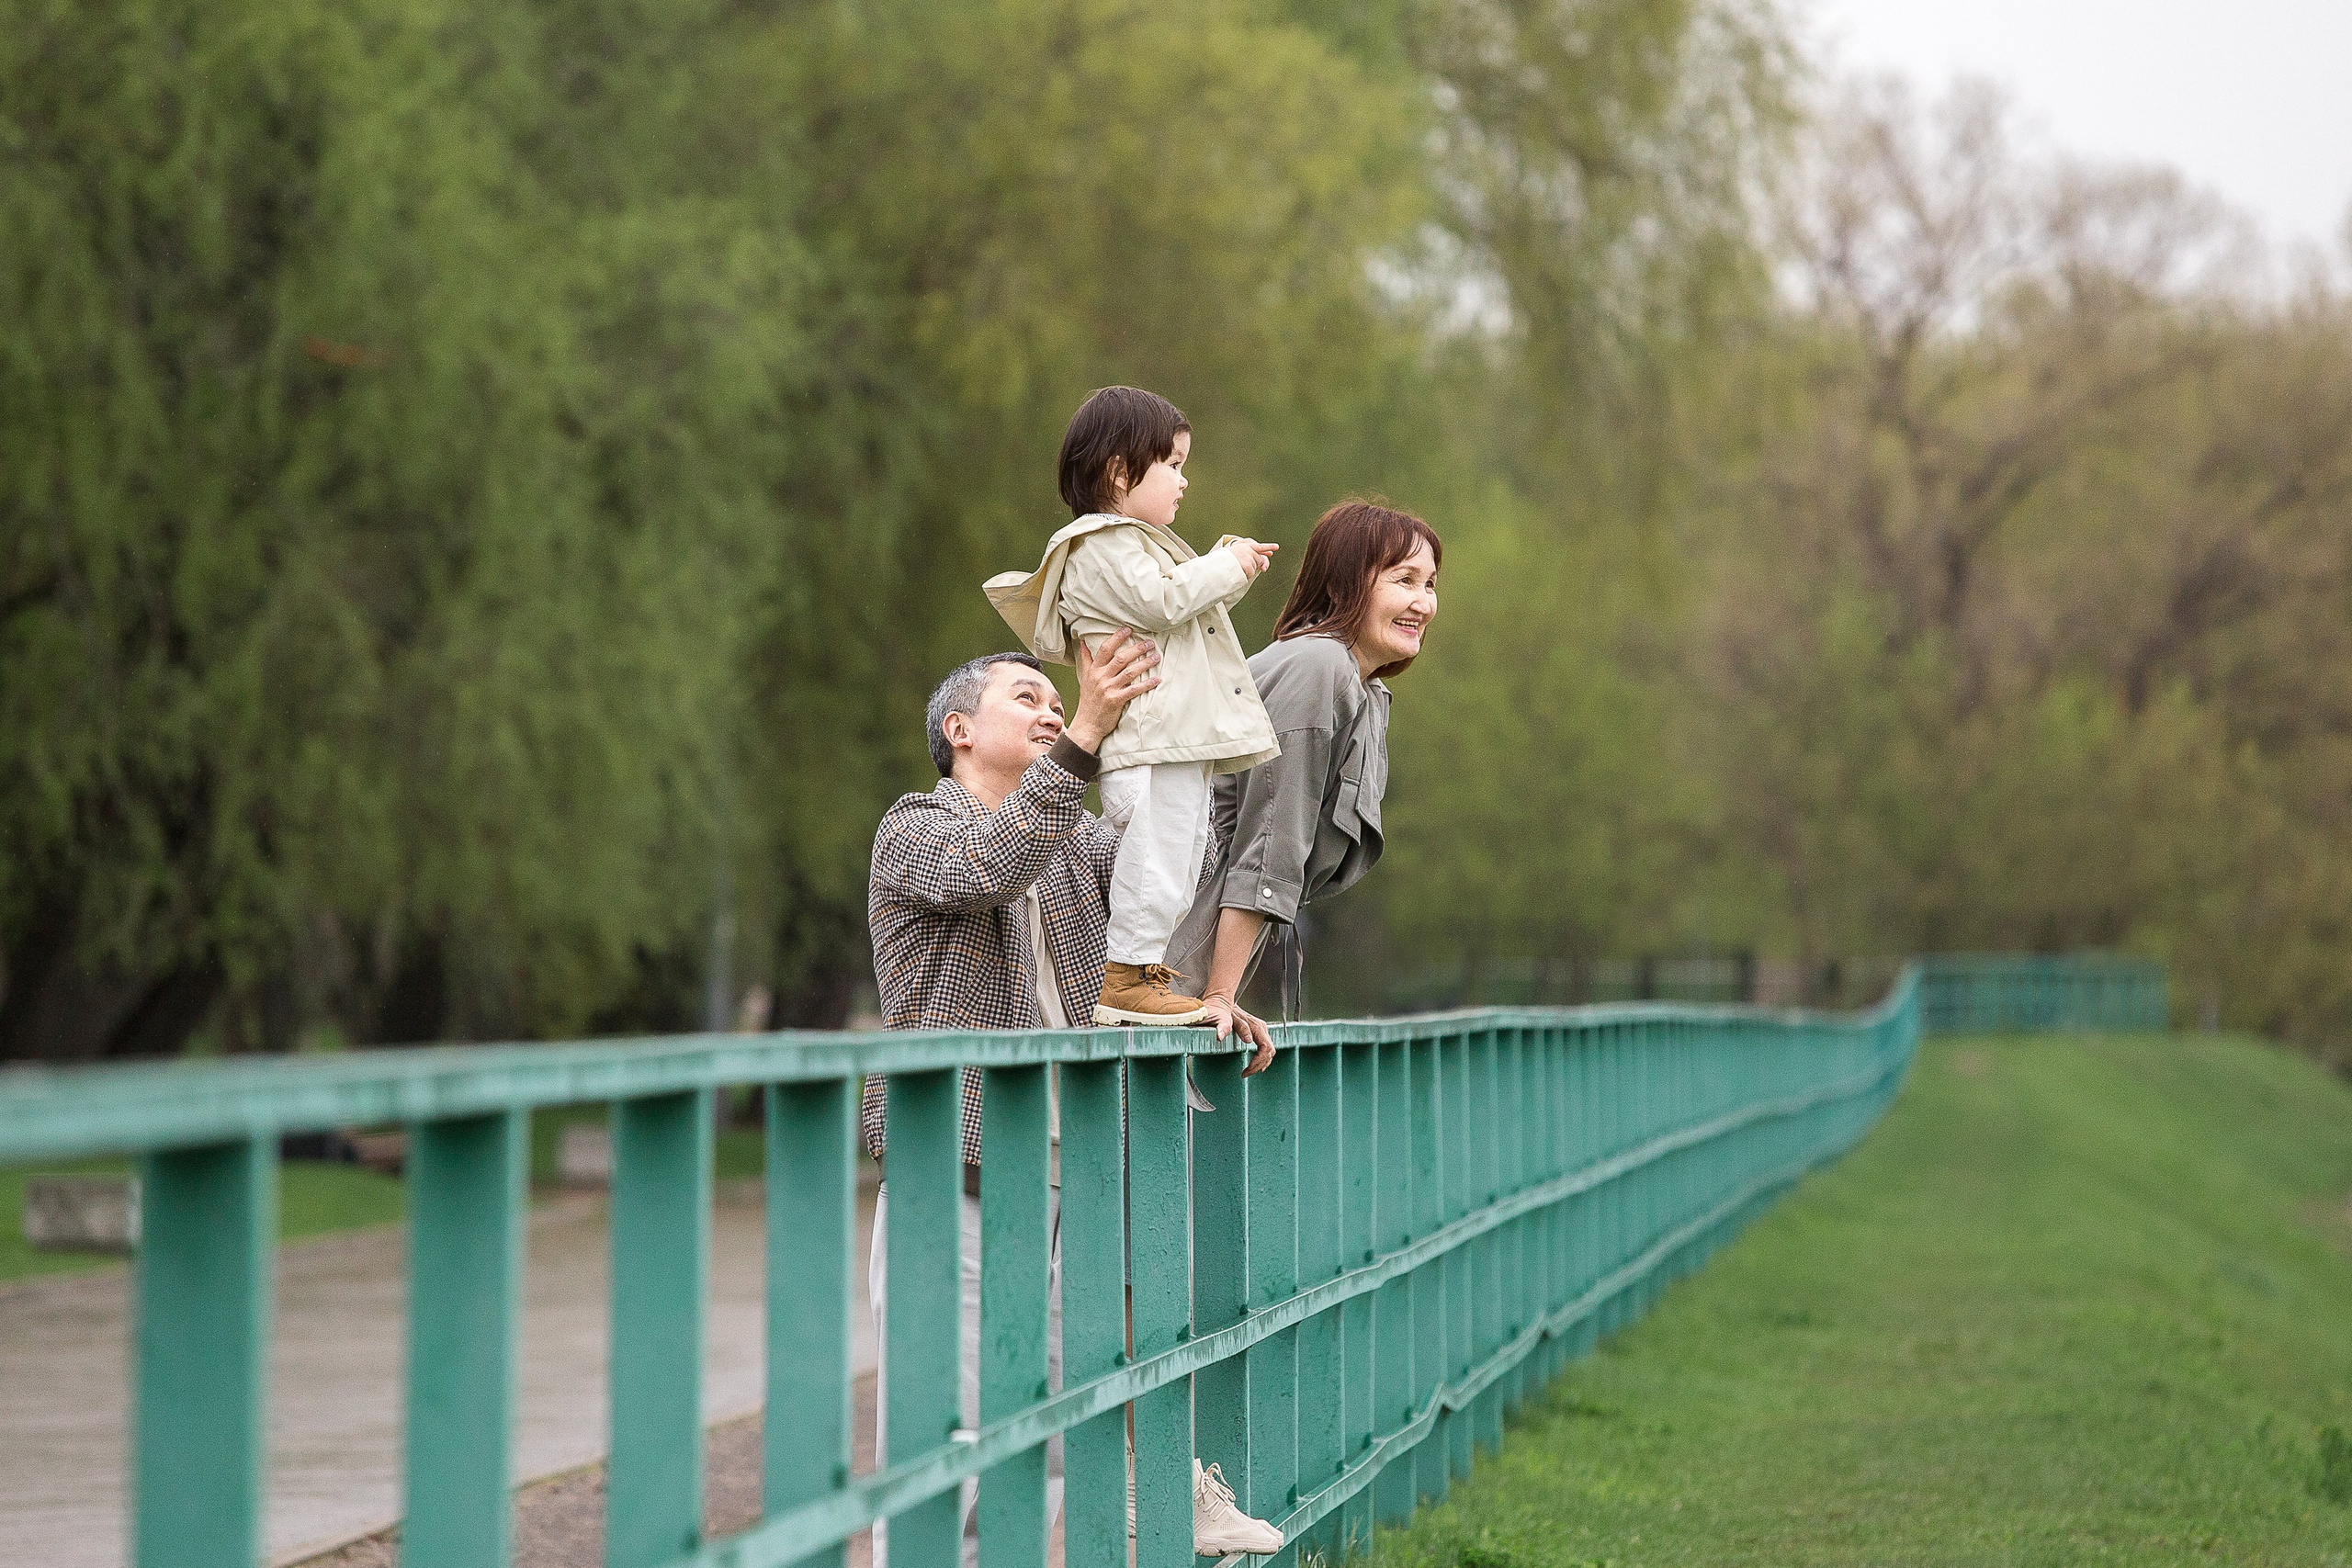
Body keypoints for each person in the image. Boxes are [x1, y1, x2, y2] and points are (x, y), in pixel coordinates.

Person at [859, 633, 1284, 1563]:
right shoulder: (913, 831)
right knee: (945, 1441)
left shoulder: (1074, 849)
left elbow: (1170, 869)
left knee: (1049, 1449)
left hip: (1070, 1176)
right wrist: (1087, 730)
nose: (1052, 709)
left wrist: (1210, 996)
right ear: (958, 730)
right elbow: (987, 867)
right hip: (957, 1174)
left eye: (1058, 701)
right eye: (1029, 697)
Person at [984, 386, 1282, 1027]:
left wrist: (1231, 569)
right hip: (1146, 744)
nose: (1183, 479)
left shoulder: (1133, 547)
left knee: (1182, 853)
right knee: (1153, 857)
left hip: (1170, 741)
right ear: (1120, 472)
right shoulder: (1099, 545)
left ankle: (1145, 972)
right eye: (1172, 463)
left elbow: (1177, 608)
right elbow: (1164, 602)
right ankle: (1125, 977)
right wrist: (1226, 565)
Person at [1169, 500, 1442, 1026]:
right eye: (1404, 580)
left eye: (1429, 584)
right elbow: (1268, 846)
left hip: (1203, 946)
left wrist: (1224, 994)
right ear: (1345, 585)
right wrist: (1220, 996)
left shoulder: (1364, 689)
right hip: (1170, 940)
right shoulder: (1318, 667)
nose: (1423, 603)